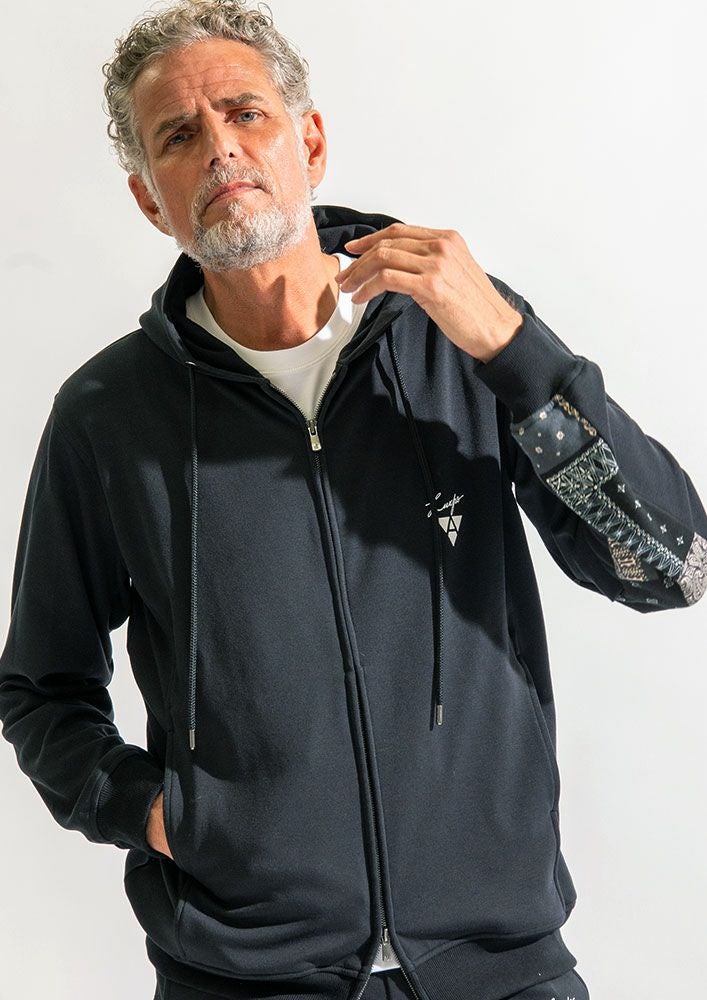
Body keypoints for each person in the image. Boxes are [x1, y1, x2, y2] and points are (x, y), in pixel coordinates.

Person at [1, 1, 705, 998]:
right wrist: (163, 816)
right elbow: (42, 686)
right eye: (179, 136)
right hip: (242, 976)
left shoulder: (457, 339)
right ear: (150, 201)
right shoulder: (109, 415)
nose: (220, 148)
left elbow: (673, 567)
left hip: (499, 969)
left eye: (246, 113)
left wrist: (515, 353)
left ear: (311, 142)